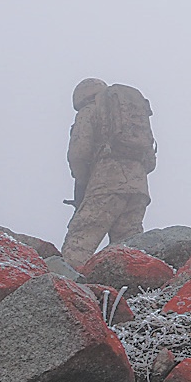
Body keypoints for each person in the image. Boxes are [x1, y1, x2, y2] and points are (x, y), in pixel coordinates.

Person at [63, 77, 155, 262]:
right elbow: (151, 162)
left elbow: (79, 153)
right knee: (128, 246)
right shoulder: (129, 113)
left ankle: (67, 284)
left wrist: (82, 180)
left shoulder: (89, 111)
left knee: (81, 238)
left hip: (106, 183)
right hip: (139, 188)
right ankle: (128, 287)